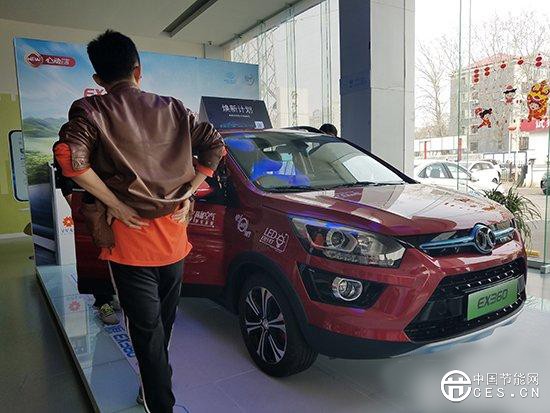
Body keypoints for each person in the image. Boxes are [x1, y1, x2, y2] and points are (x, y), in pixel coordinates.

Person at [53, 30, 224, 412]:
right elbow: (215, 145)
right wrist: (188, 192)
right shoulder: (175, 108)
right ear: (138, 70)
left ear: (98, 79)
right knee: (163, 324)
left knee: (146, 332)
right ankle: (156, 392)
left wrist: (114, 202)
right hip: (174, 238)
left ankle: (155, 397)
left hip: (129, 241)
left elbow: (69, 160)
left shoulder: (90, 110)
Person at [54, 164, 119, 325]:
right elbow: (65, 172)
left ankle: (115, 294)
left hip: (118, 199)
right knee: (93, 253)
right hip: (87, 200)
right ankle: (103, 301)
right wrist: (72, 199)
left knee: (118, 250)